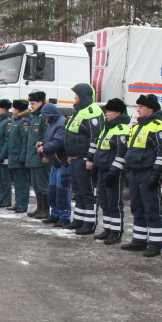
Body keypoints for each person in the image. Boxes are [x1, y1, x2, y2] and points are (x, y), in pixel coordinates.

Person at [121, 94, 162, 257]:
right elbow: (130, 150)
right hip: (134, 172)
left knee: (152, 209)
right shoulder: (136, 127)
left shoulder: (158, 126)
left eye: (141, 107)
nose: (138, 110)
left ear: (151, 109)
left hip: (148, 172)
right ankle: (139, 240)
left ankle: (155, 244)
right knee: (137, 208)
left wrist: (156, 174)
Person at [64, 83, 104, 235]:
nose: (75, 97)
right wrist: (70, 154)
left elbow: (95, 137)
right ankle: (78, 220)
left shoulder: (93, 111)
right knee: (78, 191)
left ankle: (89, 223)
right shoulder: (80, 111)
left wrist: (91, 158)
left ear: (84, 95)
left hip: (84, 159)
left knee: (87, 192)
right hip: (75, 158)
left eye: (77, 94)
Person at [92, 98, 131, 245]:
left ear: (118, 113)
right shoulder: (107, 128)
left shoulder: (122, 130)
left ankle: (116, 232)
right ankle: (108, 229)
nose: (106, 114)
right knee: (104, 202)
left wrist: (113, 172)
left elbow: (121, 153)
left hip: (113, 172)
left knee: (114, 203)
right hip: (103, 170)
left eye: (109, 111)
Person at [38, 103, 70, 227]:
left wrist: (44, 148)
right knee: (52, 190)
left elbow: (58, 143)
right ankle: (55, 214)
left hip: (62, 162)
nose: (44, 118)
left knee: (62, 191)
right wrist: (43, 142)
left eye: (45, 116)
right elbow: (51, 139)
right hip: (55, 163)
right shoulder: (53, 123)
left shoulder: (61, 124)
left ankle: (64, 216)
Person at [3, 100, 32, 213]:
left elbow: (25, 142)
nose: (12, 111)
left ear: (18, 110)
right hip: (14, 156)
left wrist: (22, 157)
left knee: (22, 183)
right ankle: (18, 203)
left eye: (14, 109)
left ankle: (23, 205)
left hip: (19, 157)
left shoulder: (24, 122)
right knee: (17, 183)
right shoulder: (16, 121)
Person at [25, 90, 50, 219]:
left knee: (42, 185)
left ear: (41, 102)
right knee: (35, 184)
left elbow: (47, 137)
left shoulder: (44, 117)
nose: (31, 105)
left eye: (33, 103)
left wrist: (46, 155)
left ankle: (45, 209)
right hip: (33, 156)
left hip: (41, 157)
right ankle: (39, 208)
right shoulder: (34, 116)